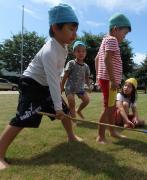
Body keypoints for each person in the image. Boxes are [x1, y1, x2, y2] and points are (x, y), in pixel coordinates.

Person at [0, 4, 81, 170]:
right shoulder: (50, 51)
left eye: (75, 29)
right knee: (22, 118)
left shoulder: (63, 47)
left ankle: (71, 136)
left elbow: (55, 77)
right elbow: (52, 80)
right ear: (55, 28)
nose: (75, 34)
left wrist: (59, 106)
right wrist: (56, 106)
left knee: (65, 112)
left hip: (44, 85)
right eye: (71, 29)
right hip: (31, 85)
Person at [95, 13, 133, 144]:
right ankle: (100, 136)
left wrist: (98, 77)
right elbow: (106, 59)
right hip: (109, 80)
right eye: (124, 33)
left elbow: (96, 59)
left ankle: (112, 131)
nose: (124, 36)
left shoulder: (105, 40)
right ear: (115, 29)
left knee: (111, 107)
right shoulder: (112, 40)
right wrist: (111, 79)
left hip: (106, 79)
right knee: (108, 107)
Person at [61, 40, 90, 119]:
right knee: (71, 102)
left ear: (85, 53)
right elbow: (65, 76)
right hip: (70, 87)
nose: (81, 53)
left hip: (80, 88)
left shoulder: (86, 66)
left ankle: (79, 110)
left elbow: (87, 77)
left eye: (83, 51)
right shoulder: (71, 63)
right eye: (78, 51)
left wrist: (89, 86)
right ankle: (73, 119)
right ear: (74, 53)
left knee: (87, 100)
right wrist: (61, 87)